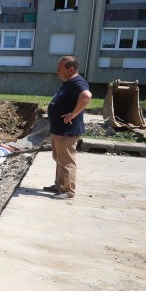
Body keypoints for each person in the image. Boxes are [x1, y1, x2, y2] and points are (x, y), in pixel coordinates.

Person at [45, 56, 92, 200]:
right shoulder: (68, 82)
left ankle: (68, 190)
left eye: (60, 68)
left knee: (66, 161)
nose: (57, 71)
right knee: (58, 158)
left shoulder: (77, 82)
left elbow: (86, 96)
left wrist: (73, 114)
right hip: (59, 130)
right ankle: (59, 184)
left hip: (67, 131)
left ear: (70, 69)